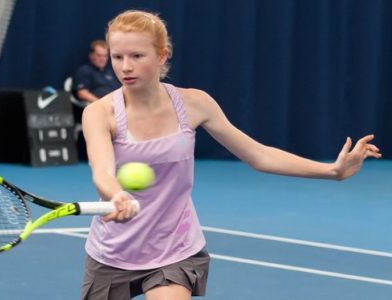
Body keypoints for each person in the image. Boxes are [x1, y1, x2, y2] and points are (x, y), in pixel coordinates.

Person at [80, 10, 382, 300]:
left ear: (162, 55)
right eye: (118, 57)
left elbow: (258, 155)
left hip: (174, 247)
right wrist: (117, 194)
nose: (125, 67)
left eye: (137, 56)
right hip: (113, 252)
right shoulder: (99, 112)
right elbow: (102, 172)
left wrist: (332, 171)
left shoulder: (195, 103)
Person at [72, 39, 121, 104]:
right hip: (99, 108)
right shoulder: (84, 71)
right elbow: (82, 93)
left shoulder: (111, 71)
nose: (102, 59)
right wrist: (101, 104)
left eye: (105, 56)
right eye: (99, 55)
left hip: (118, 105)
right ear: (91, 55)